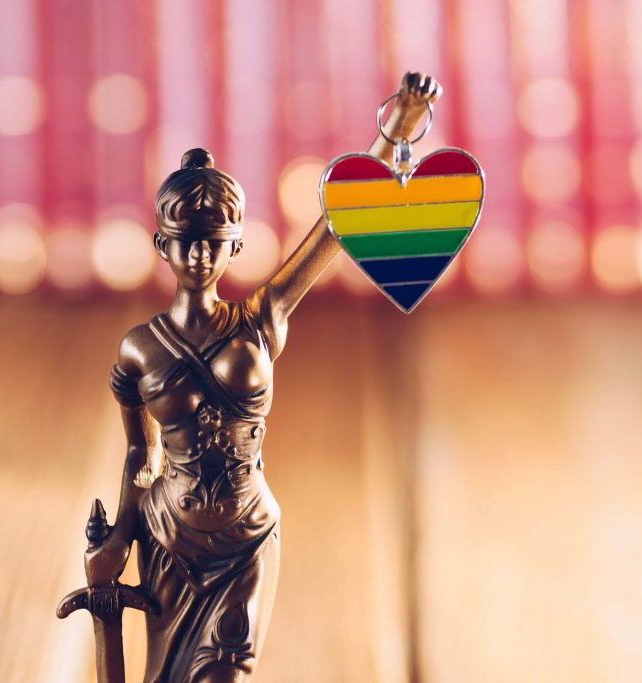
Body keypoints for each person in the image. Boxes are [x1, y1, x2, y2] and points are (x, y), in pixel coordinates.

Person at [87, 74, 440, 682]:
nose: (201, 254)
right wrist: (120, 534)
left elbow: (333, 226)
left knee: (225, 671)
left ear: (235, 246)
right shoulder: (138, 349)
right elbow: (138, 454)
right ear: (161, 245)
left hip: (246, 537)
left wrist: (394, 135)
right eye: (187, 242)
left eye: (215, 243)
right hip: (170, 536)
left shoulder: (261, 320)